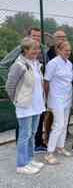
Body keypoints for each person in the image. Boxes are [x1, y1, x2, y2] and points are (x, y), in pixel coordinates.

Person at [0, 27, 48, 153]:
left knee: (34, 127)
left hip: (38, 95)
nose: (37, 38)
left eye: (38, 36)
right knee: (23, 128)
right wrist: (16, 88)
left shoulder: (42, 49)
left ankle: (36, 146)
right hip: (25, 97)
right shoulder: (21, 49)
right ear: (27, 37)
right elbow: (3, 65)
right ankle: (21, 152)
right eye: (34, 36)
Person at [6, 38, 45, 174]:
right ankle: (21, 165)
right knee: (24, 135)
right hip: (25, 107)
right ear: (25, 50)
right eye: (33, 49)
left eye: (37, 48)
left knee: (32, 134)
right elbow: (10, 86)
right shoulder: (18, 65)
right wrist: (16, 101)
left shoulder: (36, 63)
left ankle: (29, 159)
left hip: (37, 105)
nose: (37, 51)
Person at [44, 41, 73, 164]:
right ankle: (49, 153)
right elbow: (46, 82)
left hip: (67, 97)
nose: (68, 52)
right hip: (56, 98)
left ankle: (60, 147)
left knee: (65, 123)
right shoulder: (52, 64)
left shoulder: (70, 64)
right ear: (58, 50)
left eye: (69, 50)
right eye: (65, 50)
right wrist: (46, 99)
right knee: (58, 124)